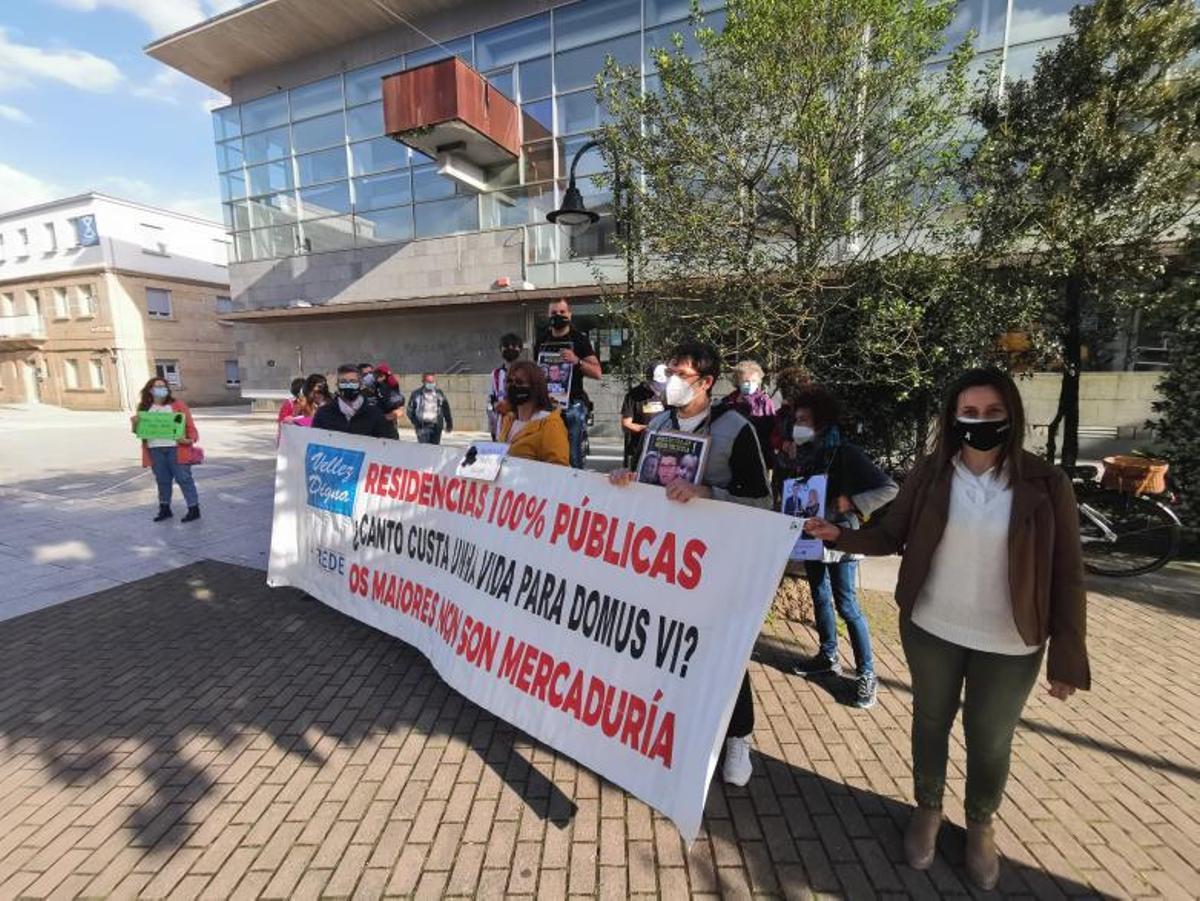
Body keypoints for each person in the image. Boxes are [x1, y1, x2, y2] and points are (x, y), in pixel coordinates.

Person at [804, 368, 1089, 889]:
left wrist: (1067, 657)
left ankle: (981, 824)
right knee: (930, 722)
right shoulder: (932, 474)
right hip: (932, 625)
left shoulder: (1047, 483)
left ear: (1012, 417)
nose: (981, 422)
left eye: (993, 414)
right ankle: (928, 810)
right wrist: (838, 536)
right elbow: (892, 534)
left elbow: (1067, 574)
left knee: (989, 738)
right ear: (954, 417)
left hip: (1011, 639)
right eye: (971, 413)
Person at [609, 341, 771, 787]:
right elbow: (644, 480)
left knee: (724, 651)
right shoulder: (658, 423)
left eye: (681, 374)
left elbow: (762, 501)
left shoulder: (737, 429)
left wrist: (708, 495)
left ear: (706, 382)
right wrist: (626, 480)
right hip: (663, 564)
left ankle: (738, 736)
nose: (671, 382)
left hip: (715, 566)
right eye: (669, 372)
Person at [779, 384, 897, 709]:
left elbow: (889, 488)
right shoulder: (800, 455)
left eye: (803, 419)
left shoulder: (844, 452)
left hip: (842, 536)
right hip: (810, 538)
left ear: (820, 421)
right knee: (819, 596)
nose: (796, 424)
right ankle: (827, 655)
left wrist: (854, 503)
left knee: (847, 604)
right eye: (795, 419)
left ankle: (866, 673)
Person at [534, 298, 601, 468]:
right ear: (548, 315)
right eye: (554, 313)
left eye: (562, 312)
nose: (558, 316)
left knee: (573, 456)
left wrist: (577, 361)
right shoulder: (542, 340)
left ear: (569, 315)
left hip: (572, 405)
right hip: (547, 405)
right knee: (547, 454)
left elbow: (597, 372)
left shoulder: (579, 340)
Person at [131, 376, 202, 522]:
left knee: (184, 478)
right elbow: (138, 432)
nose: (160, 389)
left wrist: (188, 440)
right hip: (155, 449)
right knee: (162, 480)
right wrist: (134, 423)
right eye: (157, 386)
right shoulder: (144, 408)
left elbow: (190, 427)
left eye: (163, 386)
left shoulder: (178, 405)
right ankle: (165, 508)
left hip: (176, 448)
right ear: (150, 390)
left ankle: (193, 508)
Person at [497, 361, 569, 465]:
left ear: (535, 387)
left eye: (519, 382)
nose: (512, 386)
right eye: (509, 381)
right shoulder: (508, 420)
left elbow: (559, 468)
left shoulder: (550, 424)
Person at [312, 364, 394, 437]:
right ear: (337, 385)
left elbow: (386, 445)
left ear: (361, 384)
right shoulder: (323, 414)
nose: (348, 386)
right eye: (343, 382)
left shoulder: (375, 414)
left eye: (353, 382)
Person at [722, 360, 777, 453]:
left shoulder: (764, 401)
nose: (750, 384)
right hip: (731, 448)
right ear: (738, 381)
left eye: (754, 381)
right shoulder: (728, 401)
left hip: (758, 449)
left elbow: (772, 428)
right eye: (745, 381)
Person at [620, 363, 667, 469]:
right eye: (656, 385)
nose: (659, 389)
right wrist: (647, 429)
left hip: (661, 447)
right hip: (639, 447)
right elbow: (626, 423)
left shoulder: (668, 395)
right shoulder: (634, 396)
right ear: (648, 380)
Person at [489, 333, 523, 440]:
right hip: (500, 424)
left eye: (514, 346)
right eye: (506, 346)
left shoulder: (526, 372)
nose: (510, 348)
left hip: (520, 423)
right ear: (500, 349)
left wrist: (511, 406)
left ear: (520, 349)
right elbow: (491, 400)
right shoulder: (495, 374)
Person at [406, 373, 453, 445]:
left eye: (432, 382)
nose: (431, 384)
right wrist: (416, 423)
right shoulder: (416, 394)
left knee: (435, 449)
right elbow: (410, 411)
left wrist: (449, 424)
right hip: (422, 427)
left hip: (436, 426)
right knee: (425, 449)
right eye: (428, 382)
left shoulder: (439, 394)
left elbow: (446, 409)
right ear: (423, 382)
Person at [373, 363, 405, 437]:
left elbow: (394, 405)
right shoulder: (388, 385)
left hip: (386, 421)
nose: (376, 378)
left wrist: (385, 417)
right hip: (388, 420)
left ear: (383, 376)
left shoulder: (384, 387)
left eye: (378, 375)